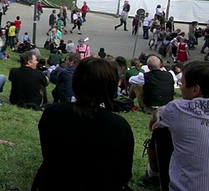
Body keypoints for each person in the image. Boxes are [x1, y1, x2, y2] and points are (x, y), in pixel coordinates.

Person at [32, 57, 134, 191]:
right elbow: (123, 173)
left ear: (76, 81)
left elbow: (49, 153)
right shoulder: (118, 126)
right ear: (110, 86)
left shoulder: (53, 113)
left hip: (53, 183)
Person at [146, 61, 209, 190]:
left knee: (161, 131)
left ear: (195, 90)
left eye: (182, 84)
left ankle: (153, 176)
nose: (181, 87)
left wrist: (154, 118)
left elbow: (159, 113)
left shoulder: (177, 110)